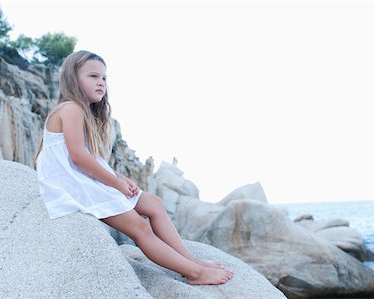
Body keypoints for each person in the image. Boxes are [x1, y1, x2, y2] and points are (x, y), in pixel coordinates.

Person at [35, 50, 233, 285]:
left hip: (84, 177)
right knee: (140, 226)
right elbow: (78, 157)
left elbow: (92, 158)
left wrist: (119, 177)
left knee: (154, 204)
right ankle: (195, 274)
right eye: (93, 76)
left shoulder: (83, 112)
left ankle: (190, 260)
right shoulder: (70, 109)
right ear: (72, 79)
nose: (101, 82)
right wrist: (115, 183)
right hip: (71, 184)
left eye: (104, 78)